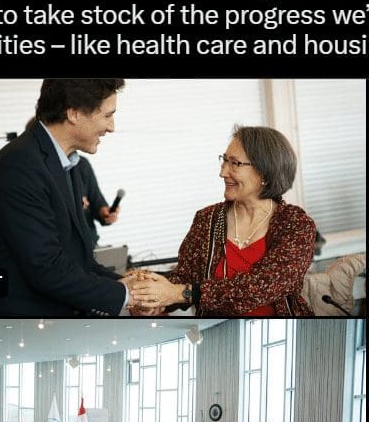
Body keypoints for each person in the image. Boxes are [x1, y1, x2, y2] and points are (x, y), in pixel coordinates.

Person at [0, 79, 130, 316]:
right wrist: (126, 296)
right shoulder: (20, 163)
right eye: (107, 115)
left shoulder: (66, 163)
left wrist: (127, 283)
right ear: (74, 113)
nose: (111, 127)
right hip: (4, 322)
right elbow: (47, 268)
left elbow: (77, 260)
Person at [128, 125, 317, 316]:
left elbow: (262, 286)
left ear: (265, 172)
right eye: (224, 160)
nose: (223, 172)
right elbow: (183, 278)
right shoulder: (207, 218)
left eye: (234, 163)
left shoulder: (296, 225)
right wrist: (153, 299)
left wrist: (181, 293)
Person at [75, 156, 120, 247]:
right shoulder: (43, 166)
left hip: (89, 243)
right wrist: (74, 203)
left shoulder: (82, 163)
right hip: (60, 248)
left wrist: (104, 213)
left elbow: (97, 201)